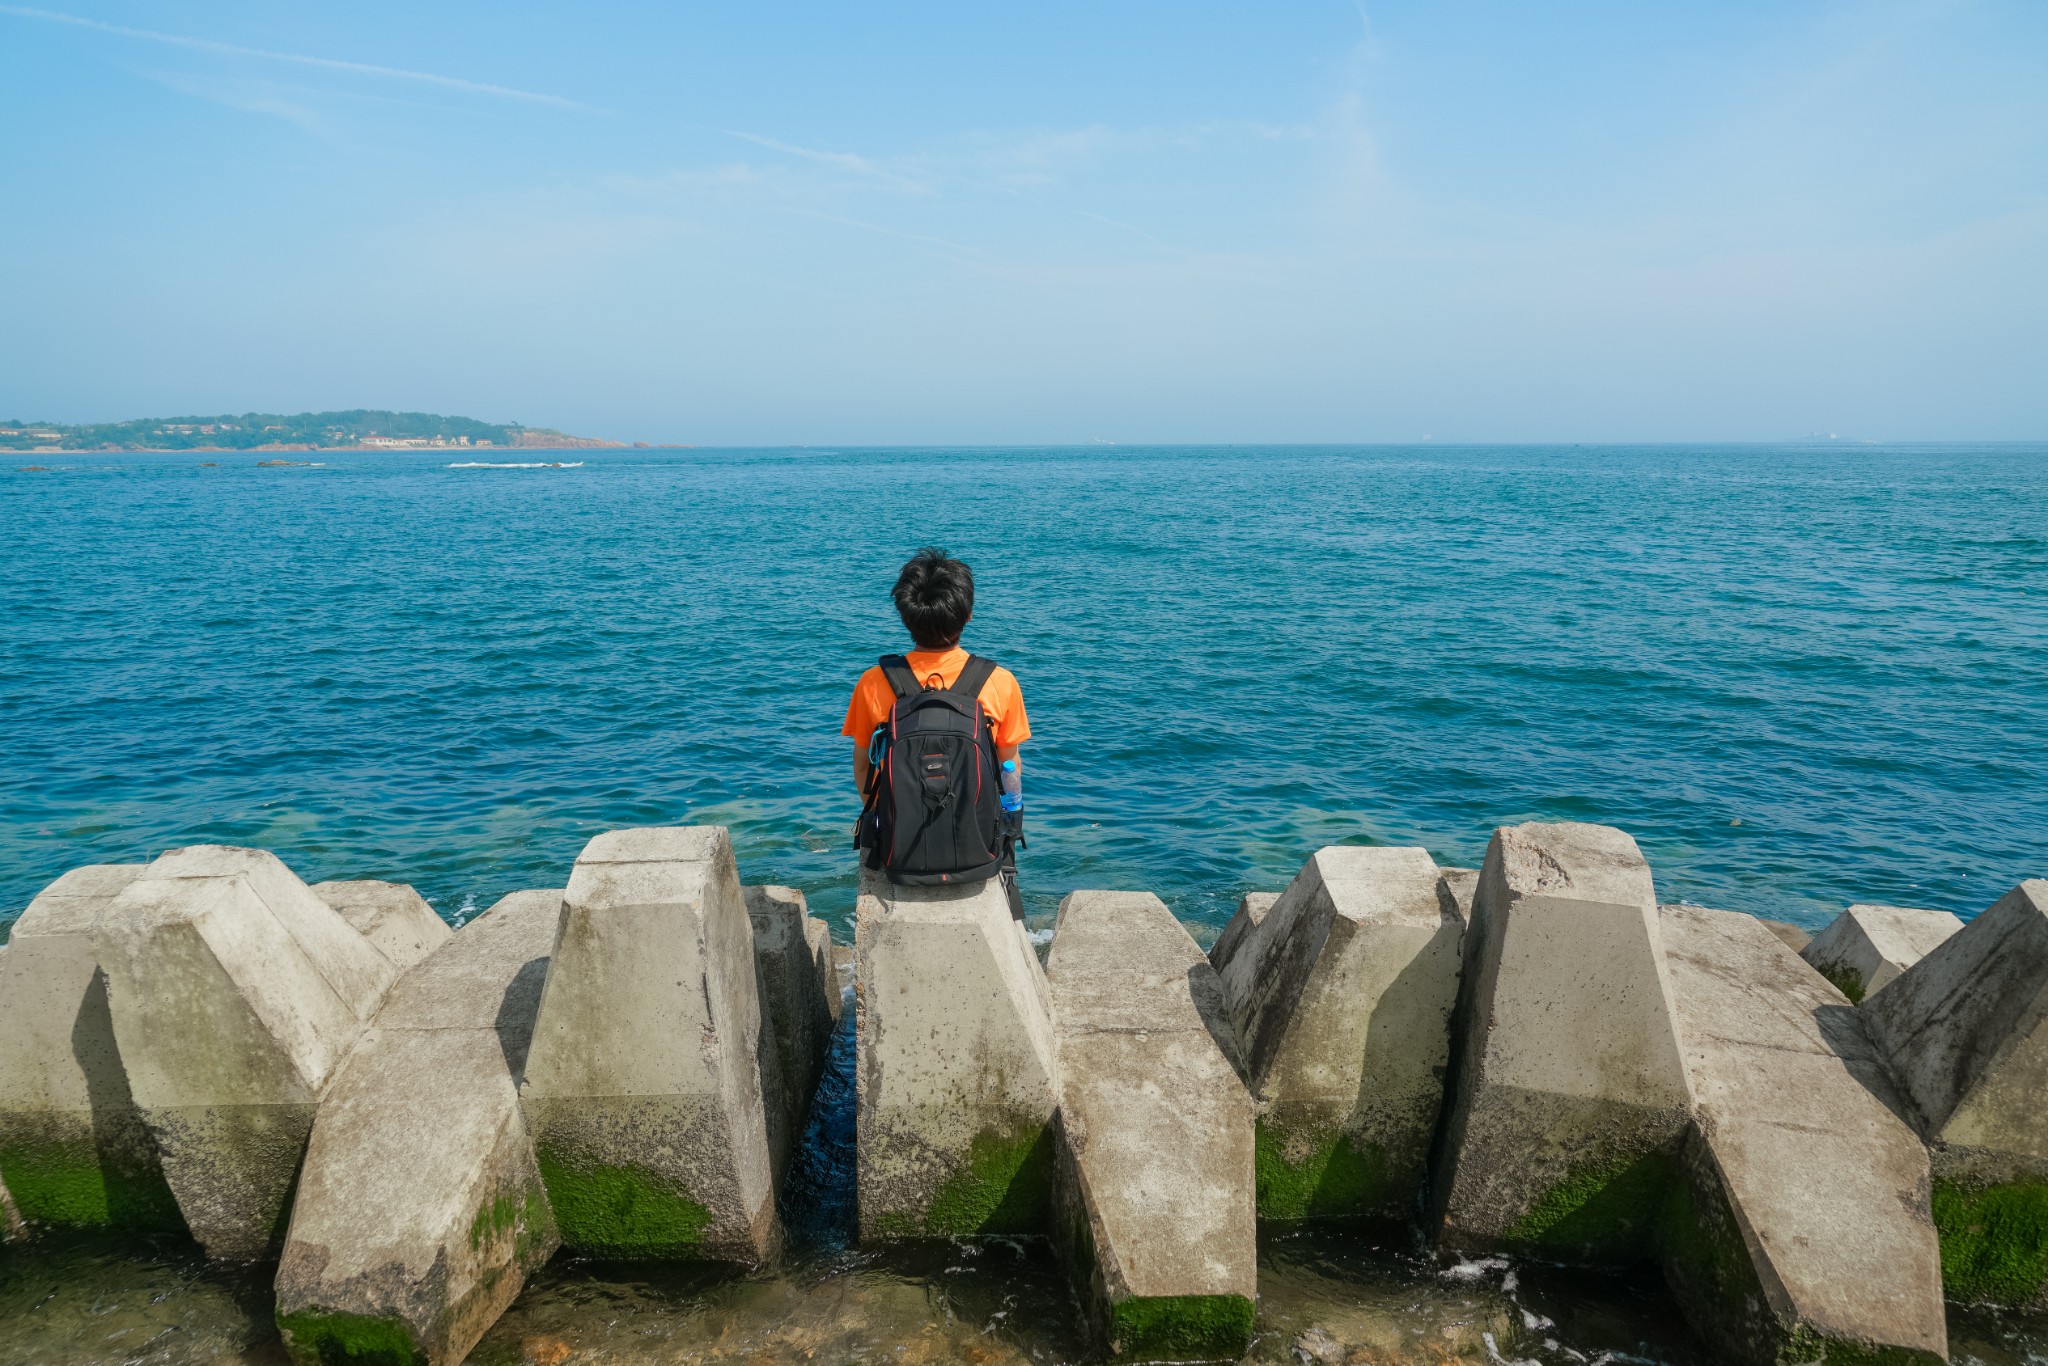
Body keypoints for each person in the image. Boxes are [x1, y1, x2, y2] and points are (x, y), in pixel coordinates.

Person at [843, 547, 1030, 912]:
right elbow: (1011, 768)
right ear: (968, 615)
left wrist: (885, 816)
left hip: (899, 849)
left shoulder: (874, 681)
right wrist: (1010, 820)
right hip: (980, 847)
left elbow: (864, 769)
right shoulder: (999, 681)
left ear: (905, 616)